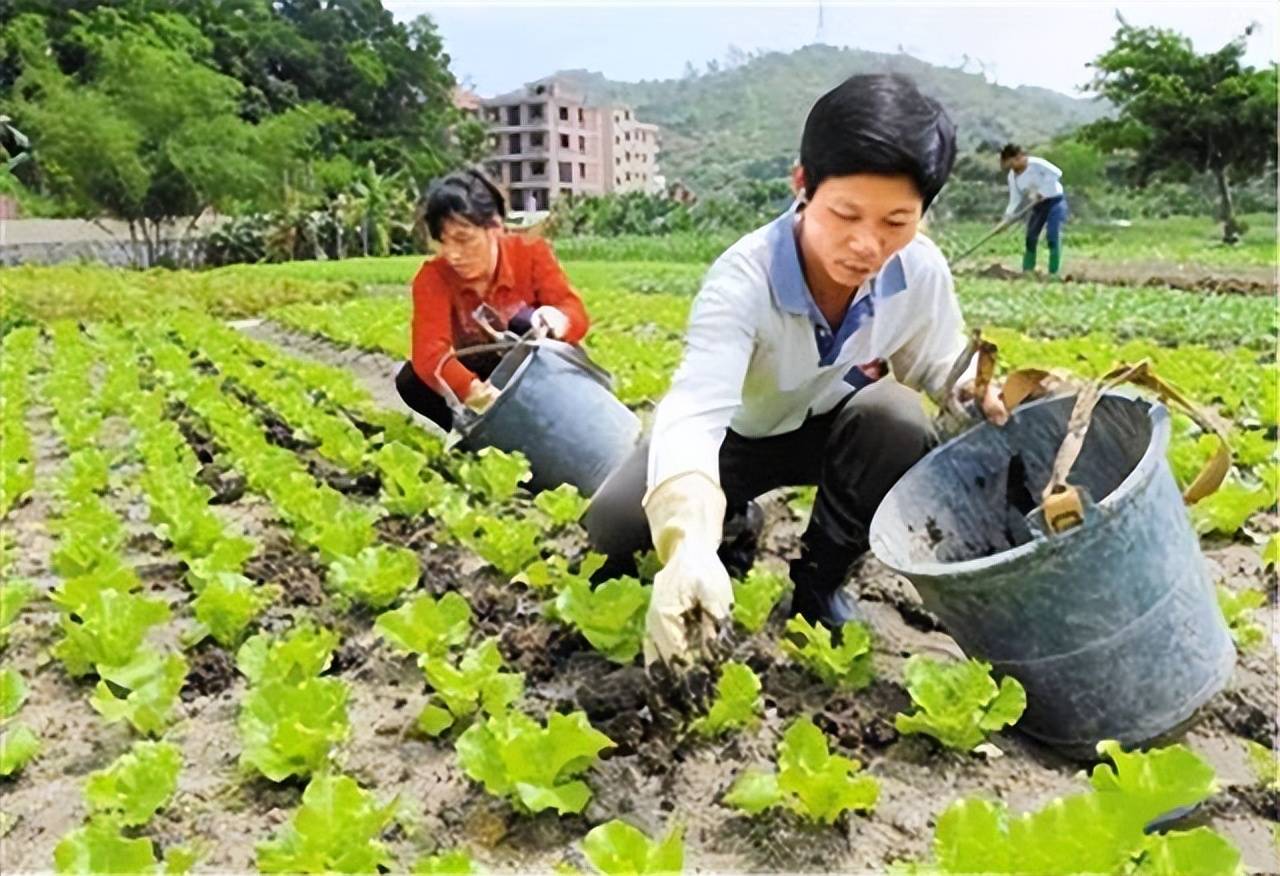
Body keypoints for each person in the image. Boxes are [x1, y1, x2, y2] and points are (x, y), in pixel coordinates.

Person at [584, 74, 1008, 665]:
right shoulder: (743, 279)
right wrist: (687, 548)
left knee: (897, 416)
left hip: (835, 435)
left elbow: (937, 361)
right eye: (846, 214)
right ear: (803, 185)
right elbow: (694, 414)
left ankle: (820, 582)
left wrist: (970, 391)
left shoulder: (920, 270)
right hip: (739, 437)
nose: (867, 244)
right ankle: (730, 524)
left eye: (895, 221)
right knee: (611, 523)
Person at [395, 169, 590, 432]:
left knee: (545, 335)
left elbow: (574, 311)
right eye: (443, 242)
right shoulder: (433, 277)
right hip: (478, 372)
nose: (453, 254)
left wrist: (559, 318)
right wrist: (472, 390)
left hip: (532, 369)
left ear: (494, 227)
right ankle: (475, 438)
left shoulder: (531, 253)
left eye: (463, 240)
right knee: (412, 380)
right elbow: (430, 354)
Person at [999, 144, 1068, 276]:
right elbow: (1015, 199)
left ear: (1019, 157)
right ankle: (1027, 271)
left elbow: (1057, 173)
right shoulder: (1012, 177)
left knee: (1052, 235)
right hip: (1037, 206)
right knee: (1031, 236)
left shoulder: (1037, 164)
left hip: (1054, 201)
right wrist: (1007, 218)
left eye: (1013, 161)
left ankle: (1053, 272)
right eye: (1009, 164)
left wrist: (1042, 192)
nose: (1012, 166)